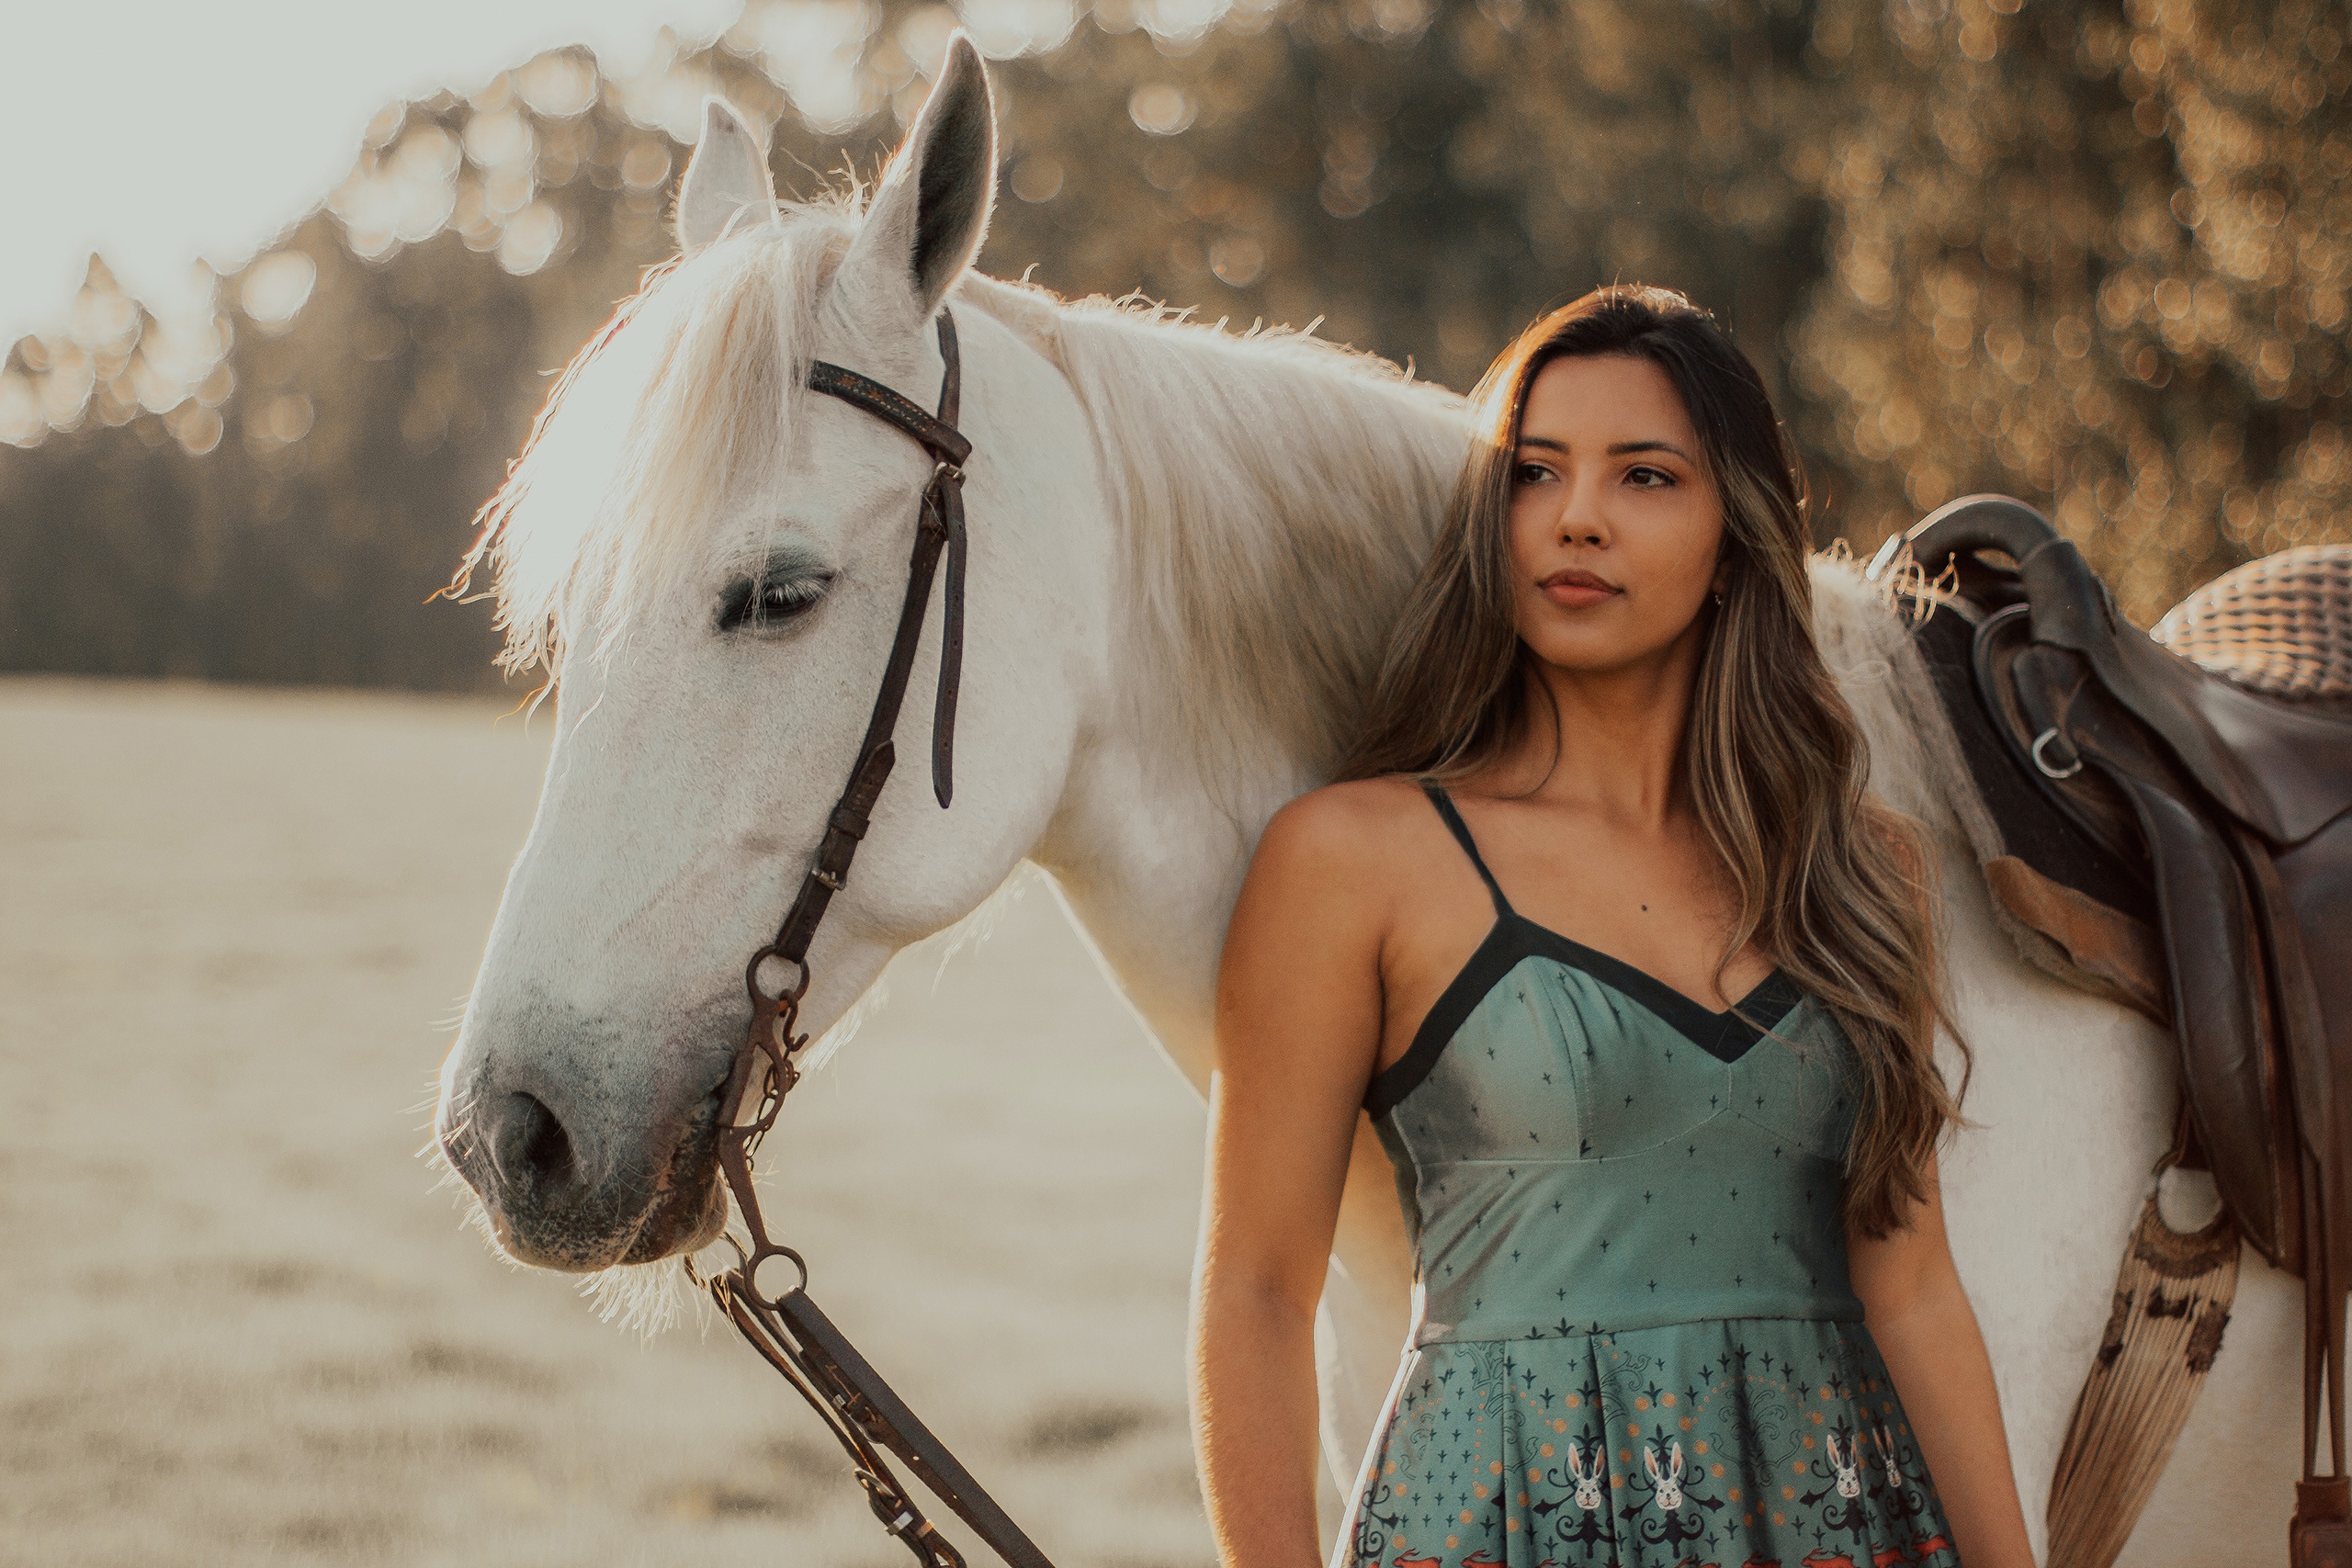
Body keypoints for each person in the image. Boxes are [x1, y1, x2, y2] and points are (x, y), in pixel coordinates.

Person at [1193, 286, 2035, 1568]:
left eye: (1645, 476)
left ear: (1734, 536)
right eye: (1535, 473)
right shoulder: (1354, 858)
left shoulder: (1859, 870)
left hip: (1843, 1524)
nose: (1576, 516)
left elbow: (1909, 1287)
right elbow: (1256, 1294)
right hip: (1508, 1521)